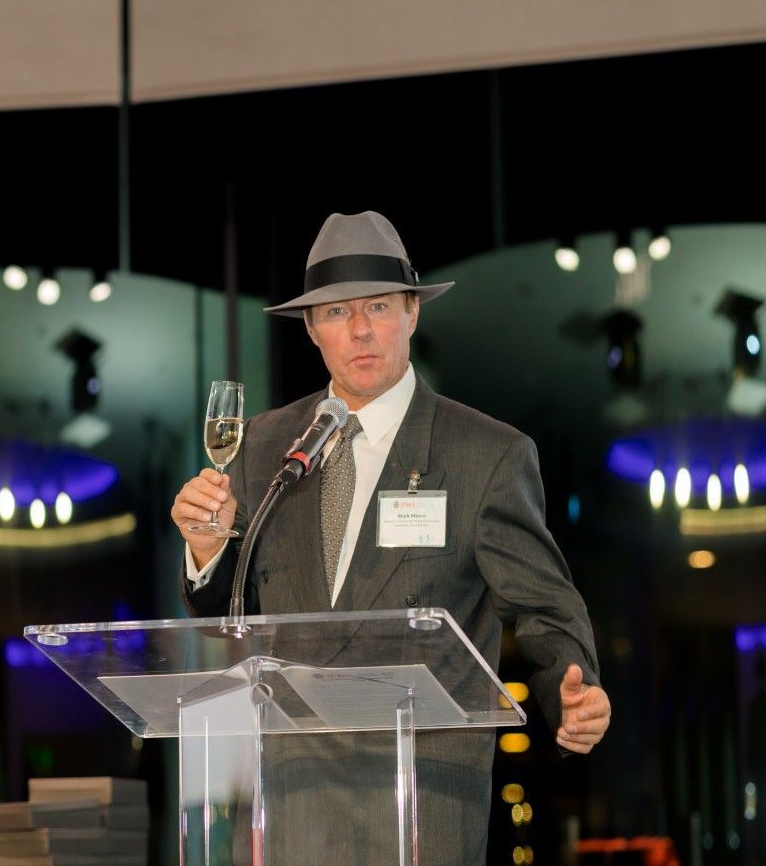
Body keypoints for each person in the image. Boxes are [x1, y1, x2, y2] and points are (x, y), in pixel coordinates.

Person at [170, 210, 609, 864]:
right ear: (312, 330)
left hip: (420, 804)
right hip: (287, 803)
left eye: (377, 306)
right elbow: (228, 613)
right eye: (337, 312)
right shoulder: (263, 447)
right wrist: (207, 550)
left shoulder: (483, 454)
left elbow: (545, 605)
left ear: (412, 312)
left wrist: (571, 686)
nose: (360, 329)